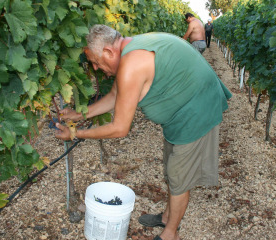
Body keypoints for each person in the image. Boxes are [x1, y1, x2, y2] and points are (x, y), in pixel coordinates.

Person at [55, 24, 232, 240]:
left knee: (178, 174)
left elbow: (120, 128)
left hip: (197, 110)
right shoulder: (129, 48)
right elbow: (113, 96)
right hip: (181, 110)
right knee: (171, 167)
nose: (94, 68)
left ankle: (170, 233)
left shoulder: (132, 64)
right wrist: (79, 115)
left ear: (109, 51)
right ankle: (167, 217)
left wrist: (74, 134)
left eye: (95, 61)